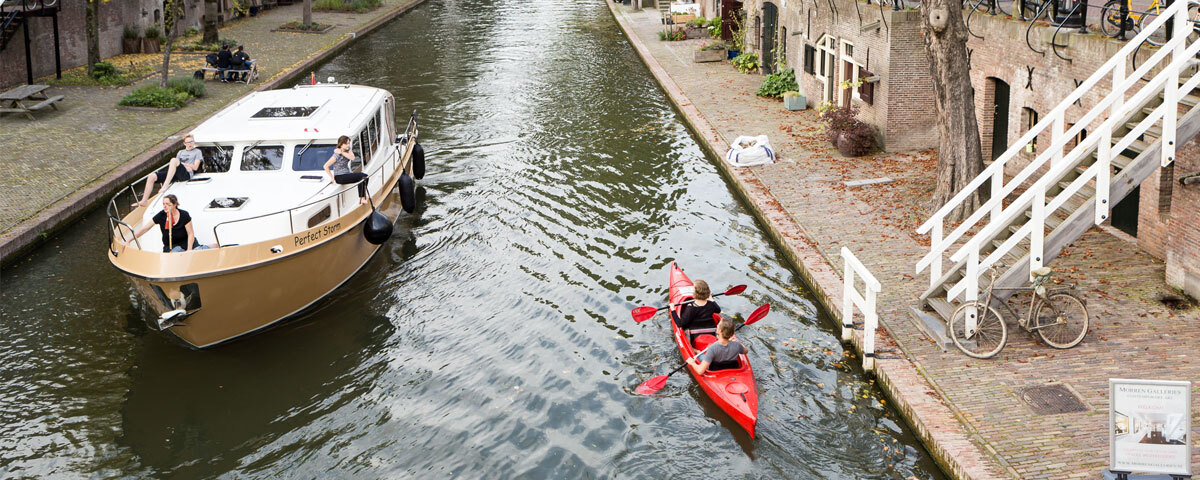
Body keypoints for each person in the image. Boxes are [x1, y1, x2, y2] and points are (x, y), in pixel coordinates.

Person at [133, 135, 202, 207]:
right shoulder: (180, 152)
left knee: (173, 160)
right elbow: (176, 164)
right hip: (176, 174)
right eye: (187, 142)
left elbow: (195, 167)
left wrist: (184, 165)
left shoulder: (197, 152)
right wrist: (185, 165)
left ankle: (165, 186)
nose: (190, 144)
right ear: (184, 143)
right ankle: (144, 201)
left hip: (186, 174)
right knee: (151, 176)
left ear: (194, 142)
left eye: (191, 141)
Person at [120, 195, 203, 253]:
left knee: (200, 251)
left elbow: (190, 233)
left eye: (168, 204)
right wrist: (129, 240)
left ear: (175, 204)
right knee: (178, 253)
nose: (165, 206)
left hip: (186, 242)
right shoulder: (161, 215)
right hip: (171, 245)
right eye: (163, 204)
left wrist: (189, 250)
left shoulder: (184, 215)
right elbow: (145, 228)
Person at [323, 135, 369, 205]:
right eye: (346, 143)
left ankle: (362, 197)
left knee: (364, 177)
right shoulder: (336, 155)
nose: (348, 145)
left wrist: (342, 152)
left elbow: (352, 158)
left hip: (346, 174)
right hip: (340, 177)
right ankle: (362, 198)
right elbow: (326, 166)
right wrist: (332, 177)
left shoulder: (348, 149)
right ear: (341, 145)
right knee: (363, 176)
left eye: (349, 143)